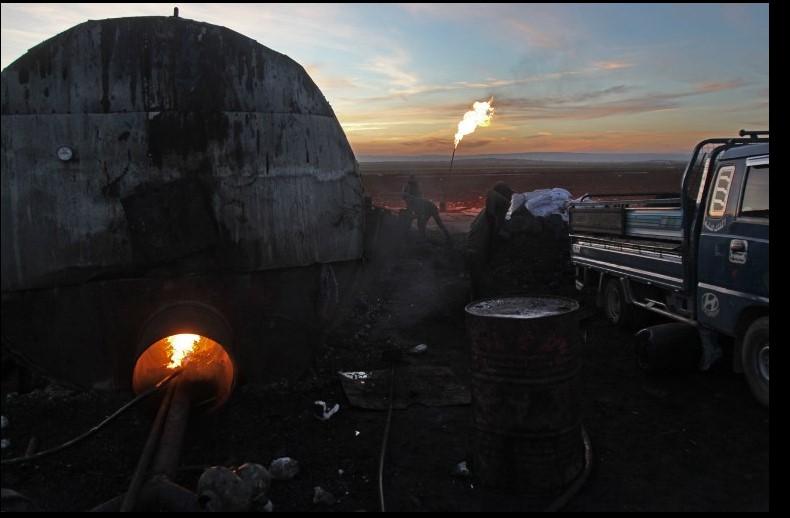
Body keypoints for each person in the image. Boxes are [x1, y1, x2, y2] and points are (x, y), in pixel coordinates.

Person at [466, 181, 514, 298]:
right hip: (476, 248)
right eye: (508, 195)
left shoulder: (491, 214)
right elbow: (491, 194)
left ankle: (477, 301)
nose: (509, 199)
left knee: (479, 280)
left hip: (476, 248)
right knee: (479, 280)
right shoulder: (493, 210)